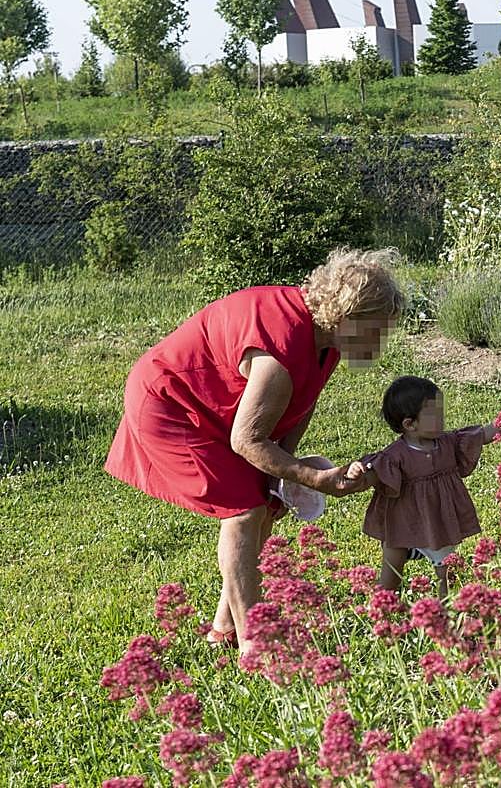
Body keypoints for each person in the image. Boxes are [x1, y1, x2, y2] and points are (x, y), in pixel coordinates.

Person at [104, 248, 406, 653]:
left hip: (218, 409)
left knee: (263, 504)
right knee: (244, 512)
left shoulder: (327, 340)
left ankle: (224, 630)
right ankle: (255, 643)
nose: (379, 344)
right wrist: (313, 478)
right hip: (172, 405)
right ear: (346, 317)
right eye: (375, 330)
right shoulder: (280, 349)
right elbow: (246, 440)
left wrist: (280, 476)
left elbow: (302, 401)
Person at [346, 375, 501, 597]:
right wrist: (358, 471)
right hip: (401, 526)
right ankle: (382, 606)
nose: (442, 419)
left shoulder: (448, 442)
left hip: (437, 524)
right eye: (435, 415)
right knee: (391, 575)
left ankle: (445, 607)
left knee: (446, 571)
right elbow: (374, 474)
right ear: (409, 424)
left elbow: (482, 435)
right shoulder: (394, 455)